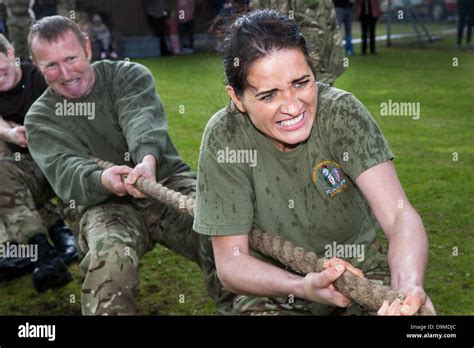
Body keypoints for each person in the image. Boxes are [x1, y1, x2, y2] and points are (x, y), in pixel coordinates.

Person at [193, 9, 435, 316]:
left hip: (361, 273)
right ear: (237, 98)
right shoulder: (224, 137)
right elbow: (231, 262)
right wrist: (302, 286)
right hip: (275, 287)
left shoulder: (341, 114)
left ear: (314, 72)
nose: (293, 107)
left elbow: (399, 215)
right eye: (269, 95)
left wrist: (408, 286)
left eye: (301, 82)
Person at [24, 15, 231, 315]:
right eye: (51, 65)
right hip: (102, 204)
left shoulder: (127, 75)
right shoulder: (40, 119)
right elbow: (65, 172)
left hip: (164, 182)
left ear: (87, 48)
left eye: (70, 58)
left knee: (224, 236)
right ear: (36, 66)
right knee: (109, 266)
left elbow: (140, 118)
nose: (66, 73)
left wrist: (146, 162)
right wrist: (104, 180)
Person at [0, 34, 77, 291]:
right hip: (26, 171)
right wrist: (9, 133)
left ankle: (63, 232)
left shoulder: (40, 77)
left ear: (10, 54)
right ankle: (42, 252)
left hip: (63, 162)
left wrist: (38, 132)